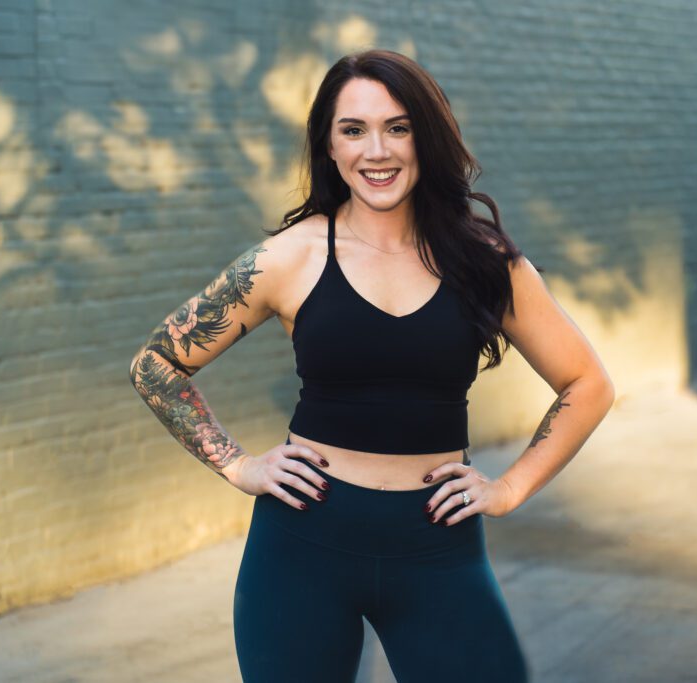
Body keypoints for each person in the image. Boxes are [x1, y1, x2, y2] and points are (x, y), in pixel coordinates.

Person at [129, 49, 615, 683]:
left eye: (398, 127)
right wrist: (238, 464)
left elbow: (588, 384)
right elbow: (156, 363)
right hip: (303, 544)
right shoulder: (288, 259)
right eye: (353, 130)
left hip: (437, 543)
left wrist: (509, 488)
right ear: (329, 147)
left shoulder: (484, 262)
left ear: (426, 137)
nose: (376, 151)